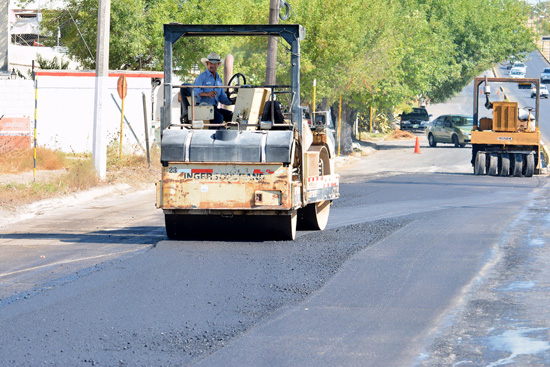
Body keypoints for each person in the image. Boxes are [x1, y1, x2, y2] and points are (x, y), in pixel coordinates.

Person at [191, 52, 234, 125]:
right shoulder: (201, 77)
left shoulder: (219, 79)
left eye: (215, 63)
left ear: (218, 65)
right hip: (203, 107)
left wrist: (233, 100)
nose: (213, 65)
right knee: (218, 117)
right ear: (207, 64)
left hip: (213, 108)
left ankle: (226, 134)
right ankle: (212, 135)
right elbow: (194, 91)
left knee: (232, 115)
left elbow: (222, 98)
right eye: (211, 63)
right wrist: (207, 94)